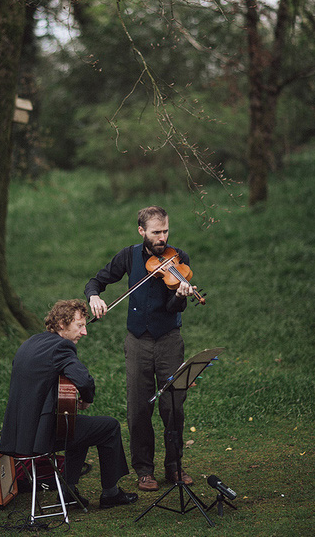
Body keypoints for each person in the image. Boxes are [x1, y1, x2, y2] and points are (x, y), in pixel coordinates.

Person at [85, 205, 202, 492]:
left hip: (168, 339)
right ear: (142, 231)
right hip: (137, 340)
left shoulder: (179, 258)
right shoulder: (128, 255)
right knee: (138, 407)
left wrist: (180, 294)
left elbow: (176, 308)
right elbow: (96, 281)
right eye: (156, 232)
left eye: (165, 231)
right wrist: (94, 298)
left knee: (173, 406)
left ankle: (174, 466)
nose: (162, 238)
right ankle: (144, 469)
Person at [0, 298, 138, 510]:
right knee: (109, 427)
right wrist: (86, 399)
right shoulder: (62, 347)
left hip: (17, 435)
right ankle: (110, 492)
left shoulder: (31, 343)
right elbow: (84, 380)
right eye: (80, 326)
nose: (85, 332)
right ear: (62, 325)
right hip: (40, 437)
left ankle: (68, 492)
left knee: (74, 426)